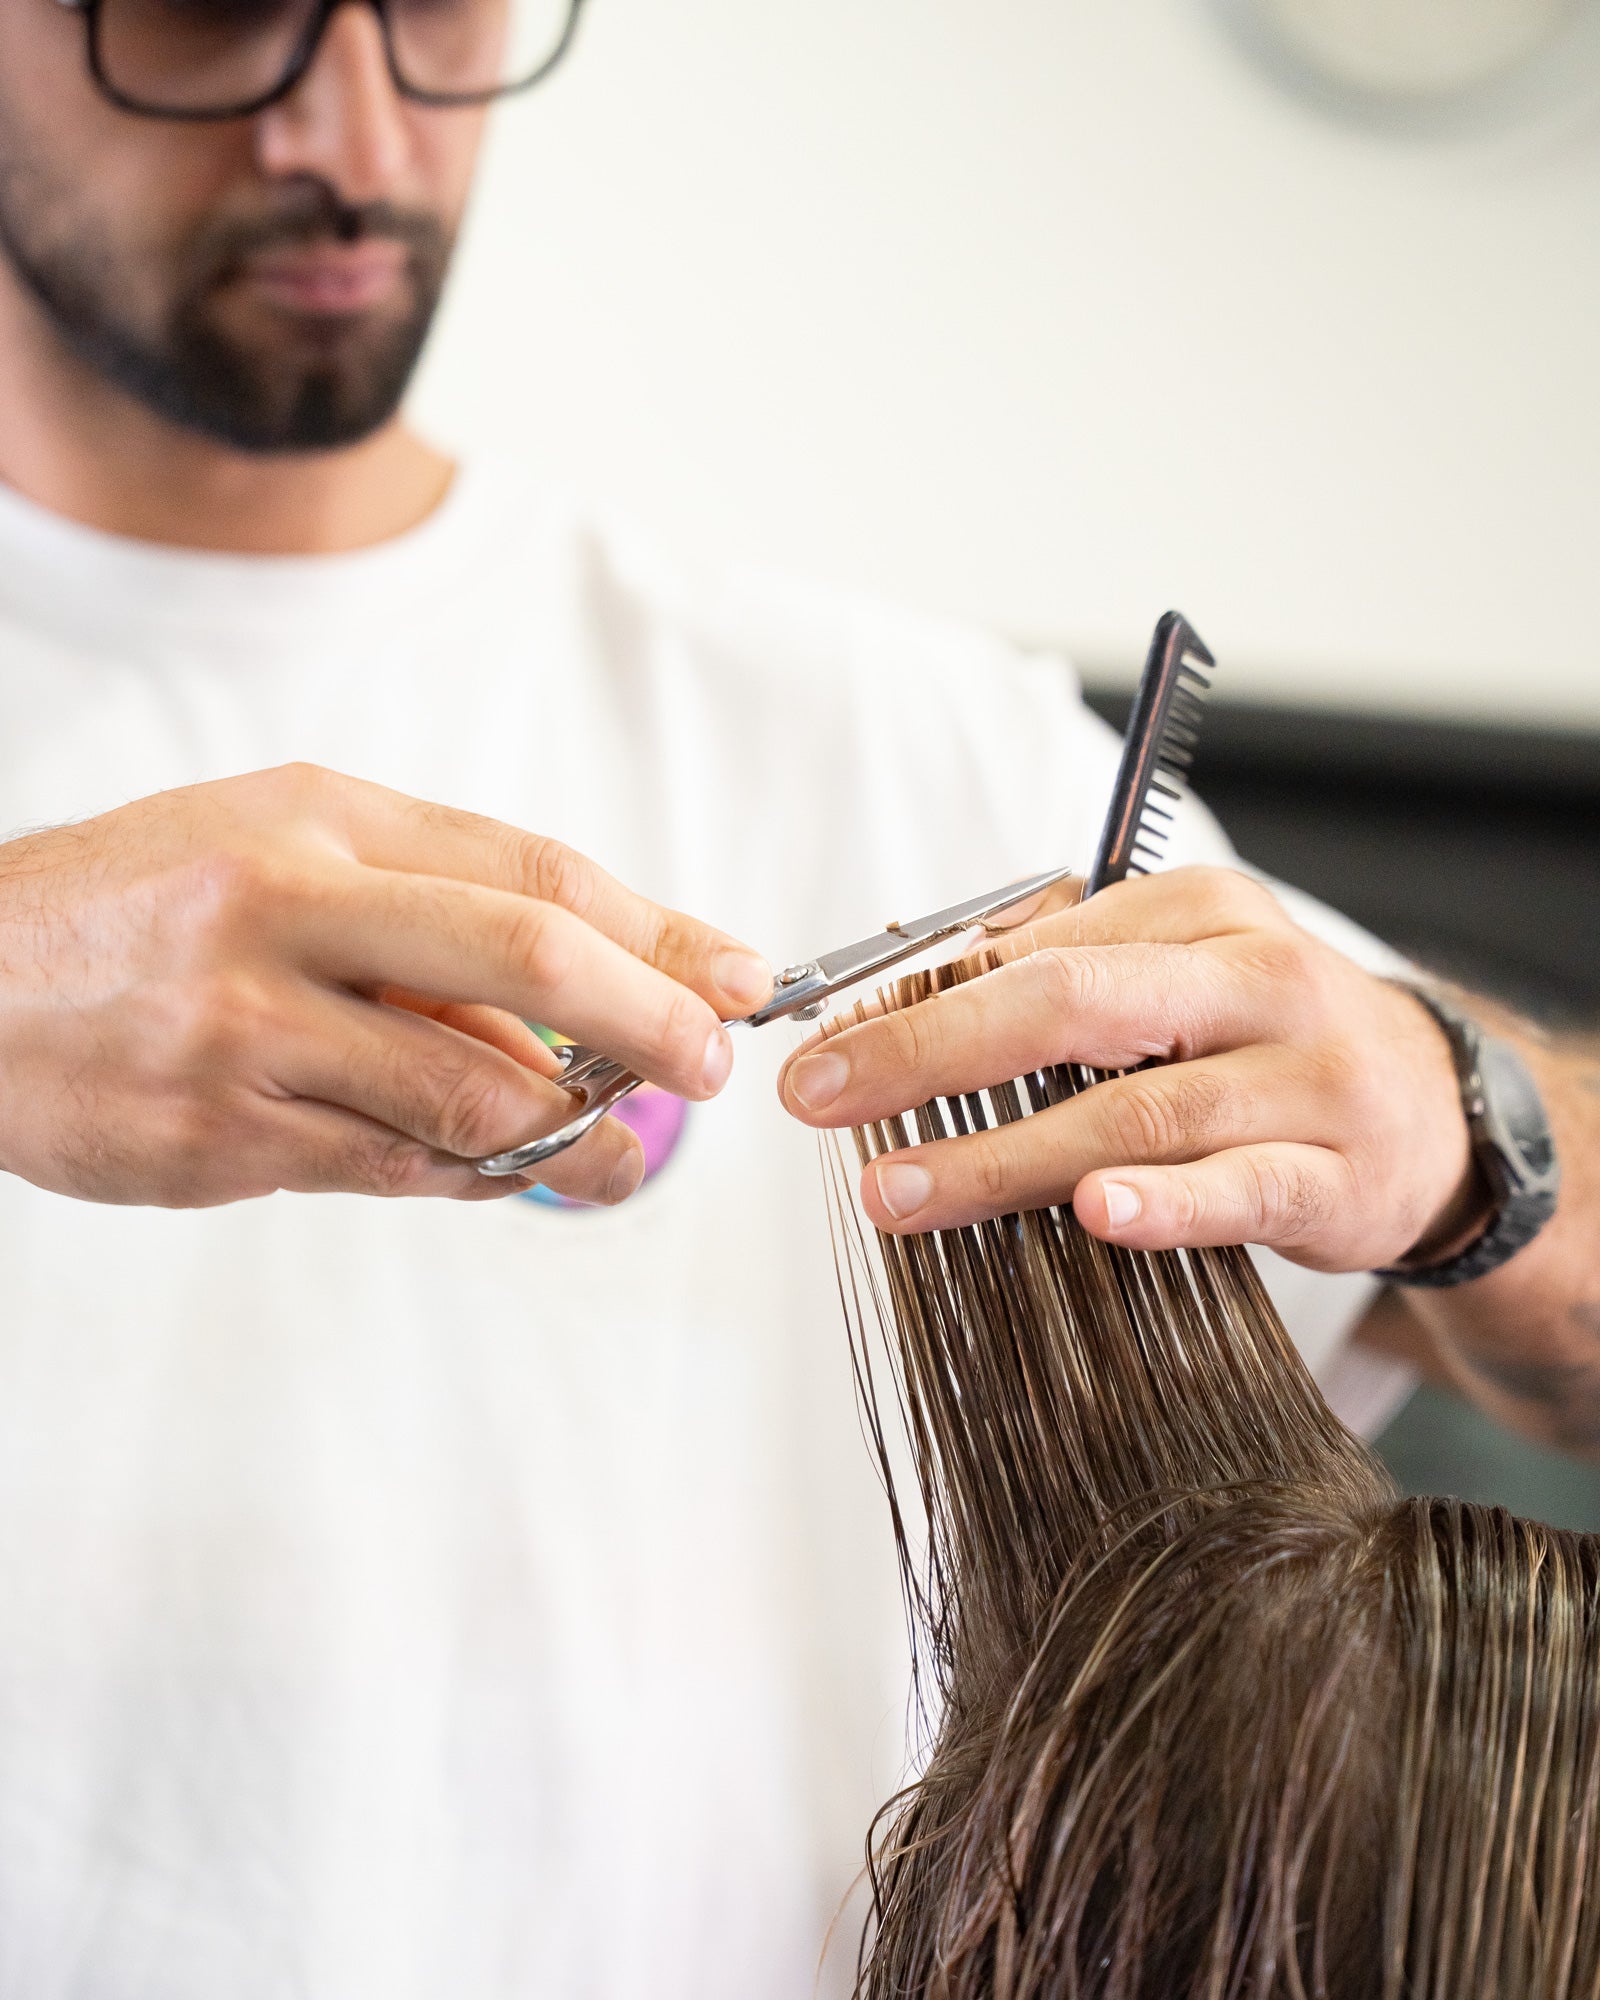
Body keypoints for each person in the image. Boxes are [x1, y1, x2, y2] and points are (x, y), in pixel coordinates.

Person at [0, 1, 1593, 1993]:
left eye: (435, 13)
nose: (357, 135)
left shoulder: (907, 753)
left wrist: (1469, 1134)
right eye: (207, 14)